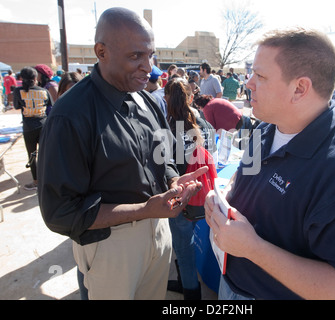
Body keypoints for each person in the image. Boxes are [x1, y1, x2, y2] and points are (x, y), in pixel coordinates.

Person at [205, 27, 335, 300]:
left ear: (299, 88)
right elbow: (242, 178)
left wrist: (254, 249)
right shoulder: (265, 130)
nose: (248, 83)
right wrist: (222, 202)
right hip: (231, 287)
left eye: (260, 76)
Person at [37, 7, 207, 300]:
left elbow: (162, 157)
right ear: (101, 51)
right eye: (135, 56)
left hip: (158, 233)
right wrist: (144, 210)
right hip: (110, 248)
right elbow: (60, 213)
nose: (148, 66)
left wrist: (172, 181)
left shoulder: (148, 101)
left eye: (150, 55)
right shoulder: (70, 114)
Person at [164, 78, 216, 300]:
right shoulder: (202, 121)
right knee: (186, 244)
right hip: (201, 193)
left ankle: (191, 295)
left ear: (166, 98)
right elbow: (212, 151)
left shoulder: (164, 126)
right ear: (191, 97)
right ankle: (186, 283)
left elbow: (163, 167)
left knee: (183, 248)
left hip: (179, 197)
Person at [13, 67, 52, 191]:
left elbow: (16, 105)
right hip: (43, 125)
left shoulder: (19, 91)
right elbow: (50, 105)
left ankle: (36, 181)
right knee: (45, 153)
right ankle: (49, 179)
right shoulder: (43, 91)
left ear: (21, 78)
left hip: (29, 127)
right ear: (36, 78)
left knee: (32, 155)